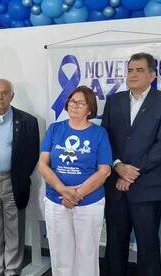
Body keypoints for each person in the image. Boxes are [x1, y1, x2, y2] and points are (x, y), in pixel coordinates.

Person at [101, 52, 161, 276]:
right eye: (130, 70)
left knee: (148, 248)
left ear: (152, 75)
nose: (133, 75)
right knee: (114, 247)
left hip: (147, 188)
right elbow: (105, 139)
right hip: (115, 187)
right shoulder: (114, 101)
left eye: (140, 70)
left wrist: (131, 172)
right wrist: (117, 167)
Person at [38, 85, 112, 276]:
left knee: (86, 256)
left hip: (88, 203)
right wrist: (63, 190)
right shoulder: (54, 130)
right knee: (60, 255)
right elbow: (43, 165)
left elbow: (104, 171)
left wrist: (76, 195)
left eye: (80, 103)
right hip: (56, 201)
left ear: (90, 109)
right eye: (72, 101)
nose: (74, 106)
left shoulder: (99, 134)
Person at [0, 79, 39, 276]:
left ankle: (12, 270)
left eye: (4, 93)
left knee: (14, 230)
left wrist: (19, 176)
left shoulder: (27, 120)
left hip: (12, 181)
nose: (0, 97)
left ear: (12, 95)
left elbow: (32, 154)